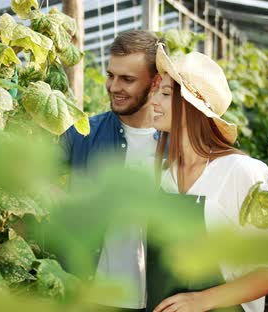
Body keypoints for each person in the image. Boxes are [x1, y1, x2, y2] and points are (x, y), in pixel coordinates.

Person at [147, 44, 268, 312]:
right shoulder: (161, 176)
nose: (154, 101)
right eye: (157, 91)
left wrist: (201, 300)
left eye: (166, 93)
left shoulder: (240, 171)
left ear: (192, 107)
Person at [61, 30, 162, 312]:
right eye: (111, 75)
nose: (114, 86)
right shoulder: (81, 133)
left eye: (127, 79)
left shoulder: (175, 144)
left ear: (155, 82)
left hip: (153, 299)